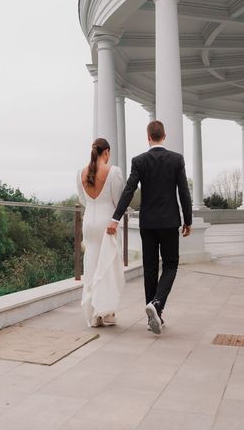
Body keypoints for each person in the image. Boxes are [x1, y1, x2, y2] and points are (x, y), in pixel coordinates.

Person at [107, 121, 193, 335]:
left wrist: (116, 217)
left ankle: (152, 317)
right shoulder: (176, 160)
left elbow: (129, 190)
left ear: (148, 137)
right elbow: (184, 192)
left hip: (148, 223)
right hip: (170, 222)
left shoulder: (139, 161)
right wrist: (187, 220)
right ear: (164, 135)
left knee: (151, 268)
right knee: (171, 265)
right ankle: (156, 304)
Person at [76, 138, 126, 327]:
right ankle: (107, 312)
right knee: (108, 267)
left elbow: (83, 199)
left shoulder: (81, 173)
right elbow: (118, 200)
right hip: (107, 222)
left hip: (89, 222)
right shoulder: (113, 172)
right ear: (106, 152)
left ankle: (93, 315)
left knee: (91, 266)